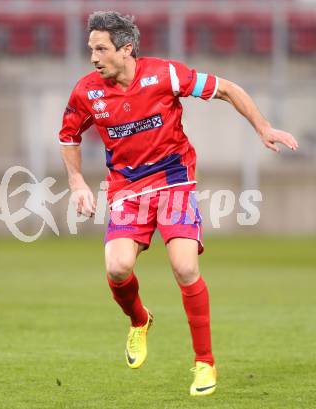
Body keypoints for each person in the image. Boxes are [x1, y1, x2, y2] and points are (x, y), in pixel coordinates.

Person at [58, 11, 298, 396]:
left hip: (173, 179)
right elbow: (69, 136)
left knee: (185, 267)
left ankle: (204, 364)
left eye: (101, 49)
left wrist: (263, 127)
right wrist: (76, 182)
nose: (93, 58)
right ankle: (139, 320)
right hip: (126, 188)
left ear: (126, 48)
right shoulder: (87, 91)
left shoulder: (165, 74)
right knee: (118, 269)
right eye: (91, 49)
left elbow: (226, 88)